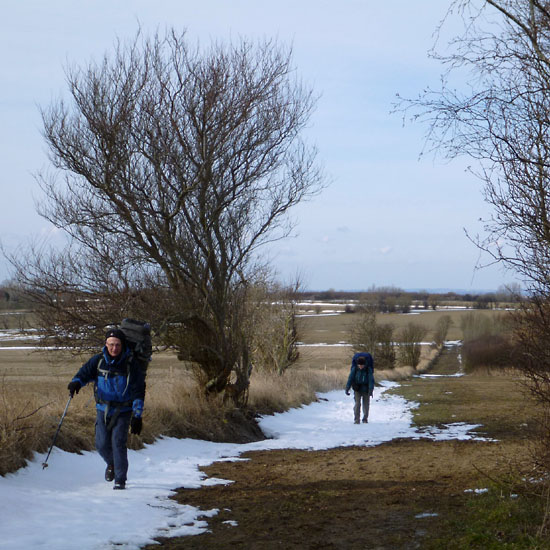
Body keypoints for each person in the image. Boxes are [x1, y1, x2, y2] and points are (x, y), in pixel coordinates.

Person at [67, 328, 145, 490]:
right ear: (105, 344)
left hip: (123, 411)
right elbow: (84, 373)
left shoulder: (131, 365)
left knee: (118, 443)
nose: (114, 348)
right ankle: (113, 464)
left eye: (117, 345)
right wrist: (76, 383)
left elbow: (138, 390)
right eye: (111, 344)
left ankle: (120, 480)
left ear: (122, 345)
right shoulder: (98, 361)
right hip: (102, 409)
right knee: (101, 444)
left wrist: (137, 416)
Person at [345, 352, 374, 424]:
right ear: (357, 364)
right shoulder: (355, 369)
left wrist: (370, 390)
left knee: (366, 405)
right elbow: (350, 378)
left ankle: (365, 418)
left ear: (364, 364)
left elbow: (371, 380)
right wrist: (347, 388)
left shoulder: (368, 370)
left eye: (362, 365)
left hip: (366, 389)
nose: (360, 367)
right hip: (357, 389)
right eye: (359, 365)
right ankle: (356, 419)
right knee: (357, 404)